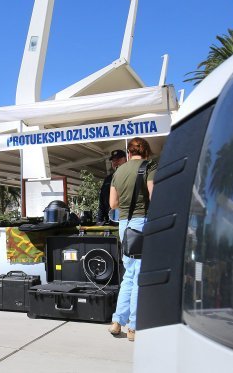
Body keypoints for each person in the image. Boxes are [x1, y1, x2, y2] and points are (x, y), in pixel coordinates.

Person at [108, 137, 157, 342]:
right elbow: (154, 197)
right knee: (138, 275)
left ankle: (117, 321)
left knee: (129, 273)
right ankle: (133, 327)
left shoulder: (118, 171)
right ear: (146, 152)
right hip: (141, 224)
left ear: (129, 153)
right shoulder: (149, 166)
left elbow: (112, 204)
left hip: (123, 225)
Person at [98, 149, 127, 222]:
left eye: (118, 160)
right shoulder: (108, 179)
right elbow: (102, 200)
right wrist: (99, 220)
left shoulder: (130, 176)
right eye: (113, 161)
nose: (115, 163)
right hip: (111, 219)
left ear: (125, 160)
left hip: (126, 218)